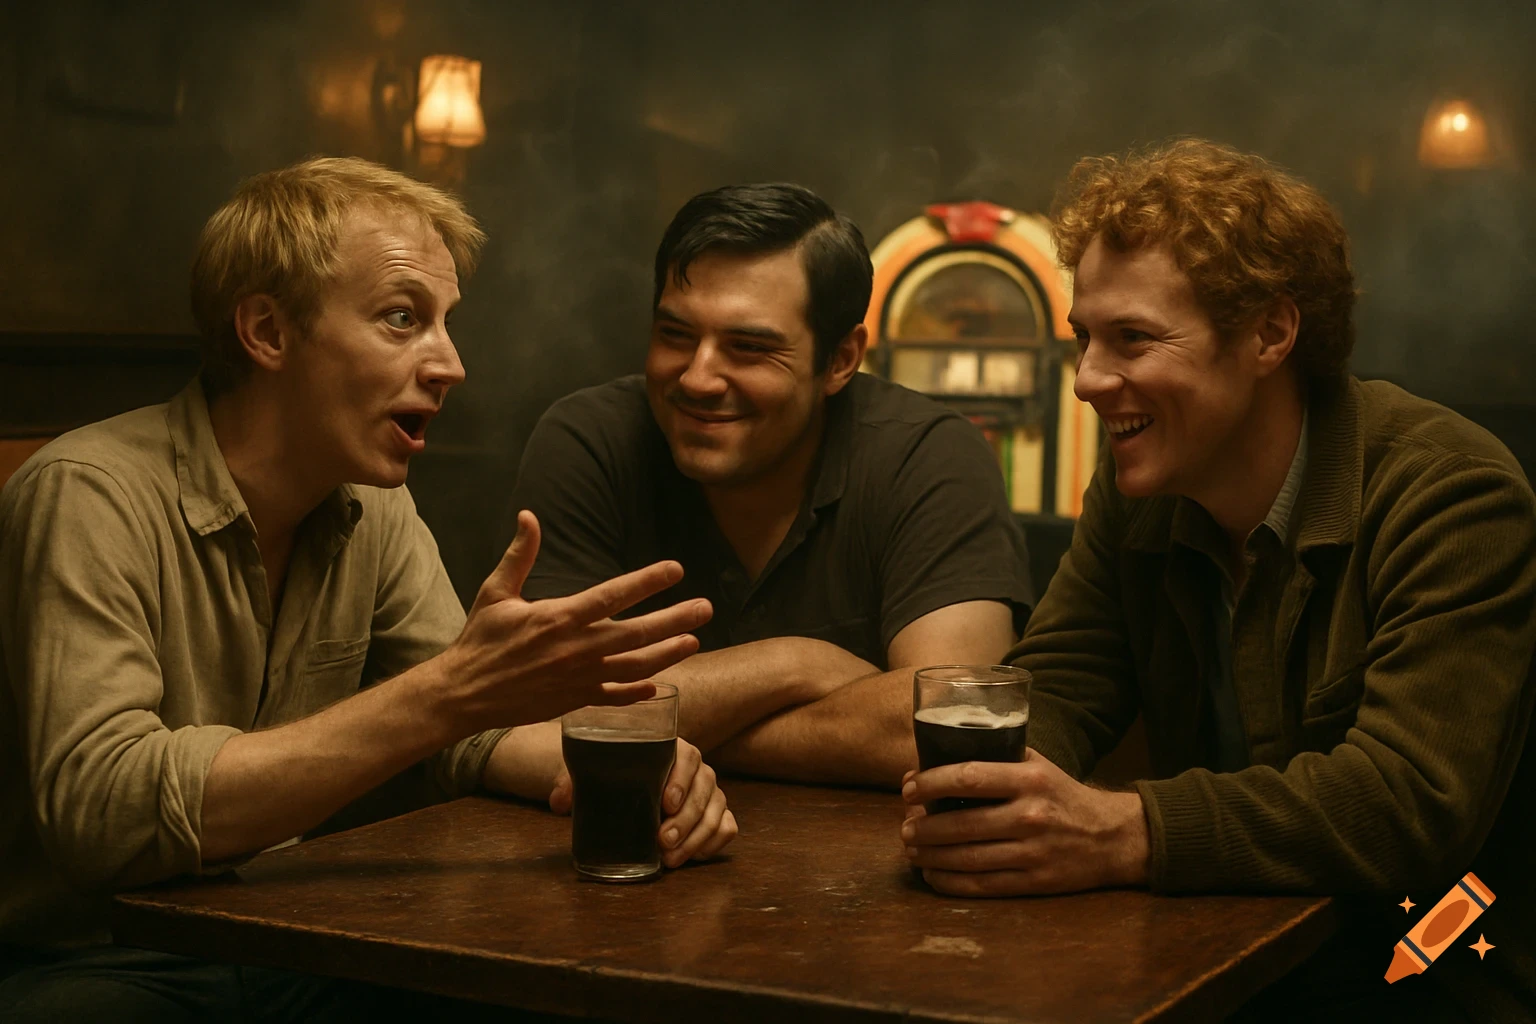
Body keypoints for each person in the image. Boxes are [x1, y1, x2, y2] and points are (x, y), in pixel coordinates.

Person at [0, 157, 736, 1021]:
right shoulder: (88, 493)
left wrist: (641, 771)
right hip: (91, 959)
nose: (450, 364)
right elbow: (103, 811)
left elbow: (463, 729)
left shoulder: (371, 504)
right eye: (402, 319)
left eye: (446, 324)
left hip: (282, 938)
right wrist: (449, 693)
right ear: (267, 332)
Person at [898, 139, 1536, 1022]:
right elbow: (1060, 688)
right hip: (1234, 969)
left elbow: (1406, 804)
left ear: (1271, 334)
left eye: (1133, 339)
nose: (1086, 381)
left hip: (1434, 974)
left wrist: (1123, 830)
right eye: (1085, 338)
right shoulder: (1143, 491)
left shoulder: (1449, 491)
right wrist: (985, 800)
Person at [505, 183, 1034, 787]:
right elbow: (535, 709)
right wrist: (794, 664)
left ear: (840, 360)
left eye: (749, 348)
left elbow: (953, 732)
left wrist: (661, 728)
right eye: (675, 335)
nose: (698, 378)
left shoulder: (930, 455)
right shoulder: (591, 441)